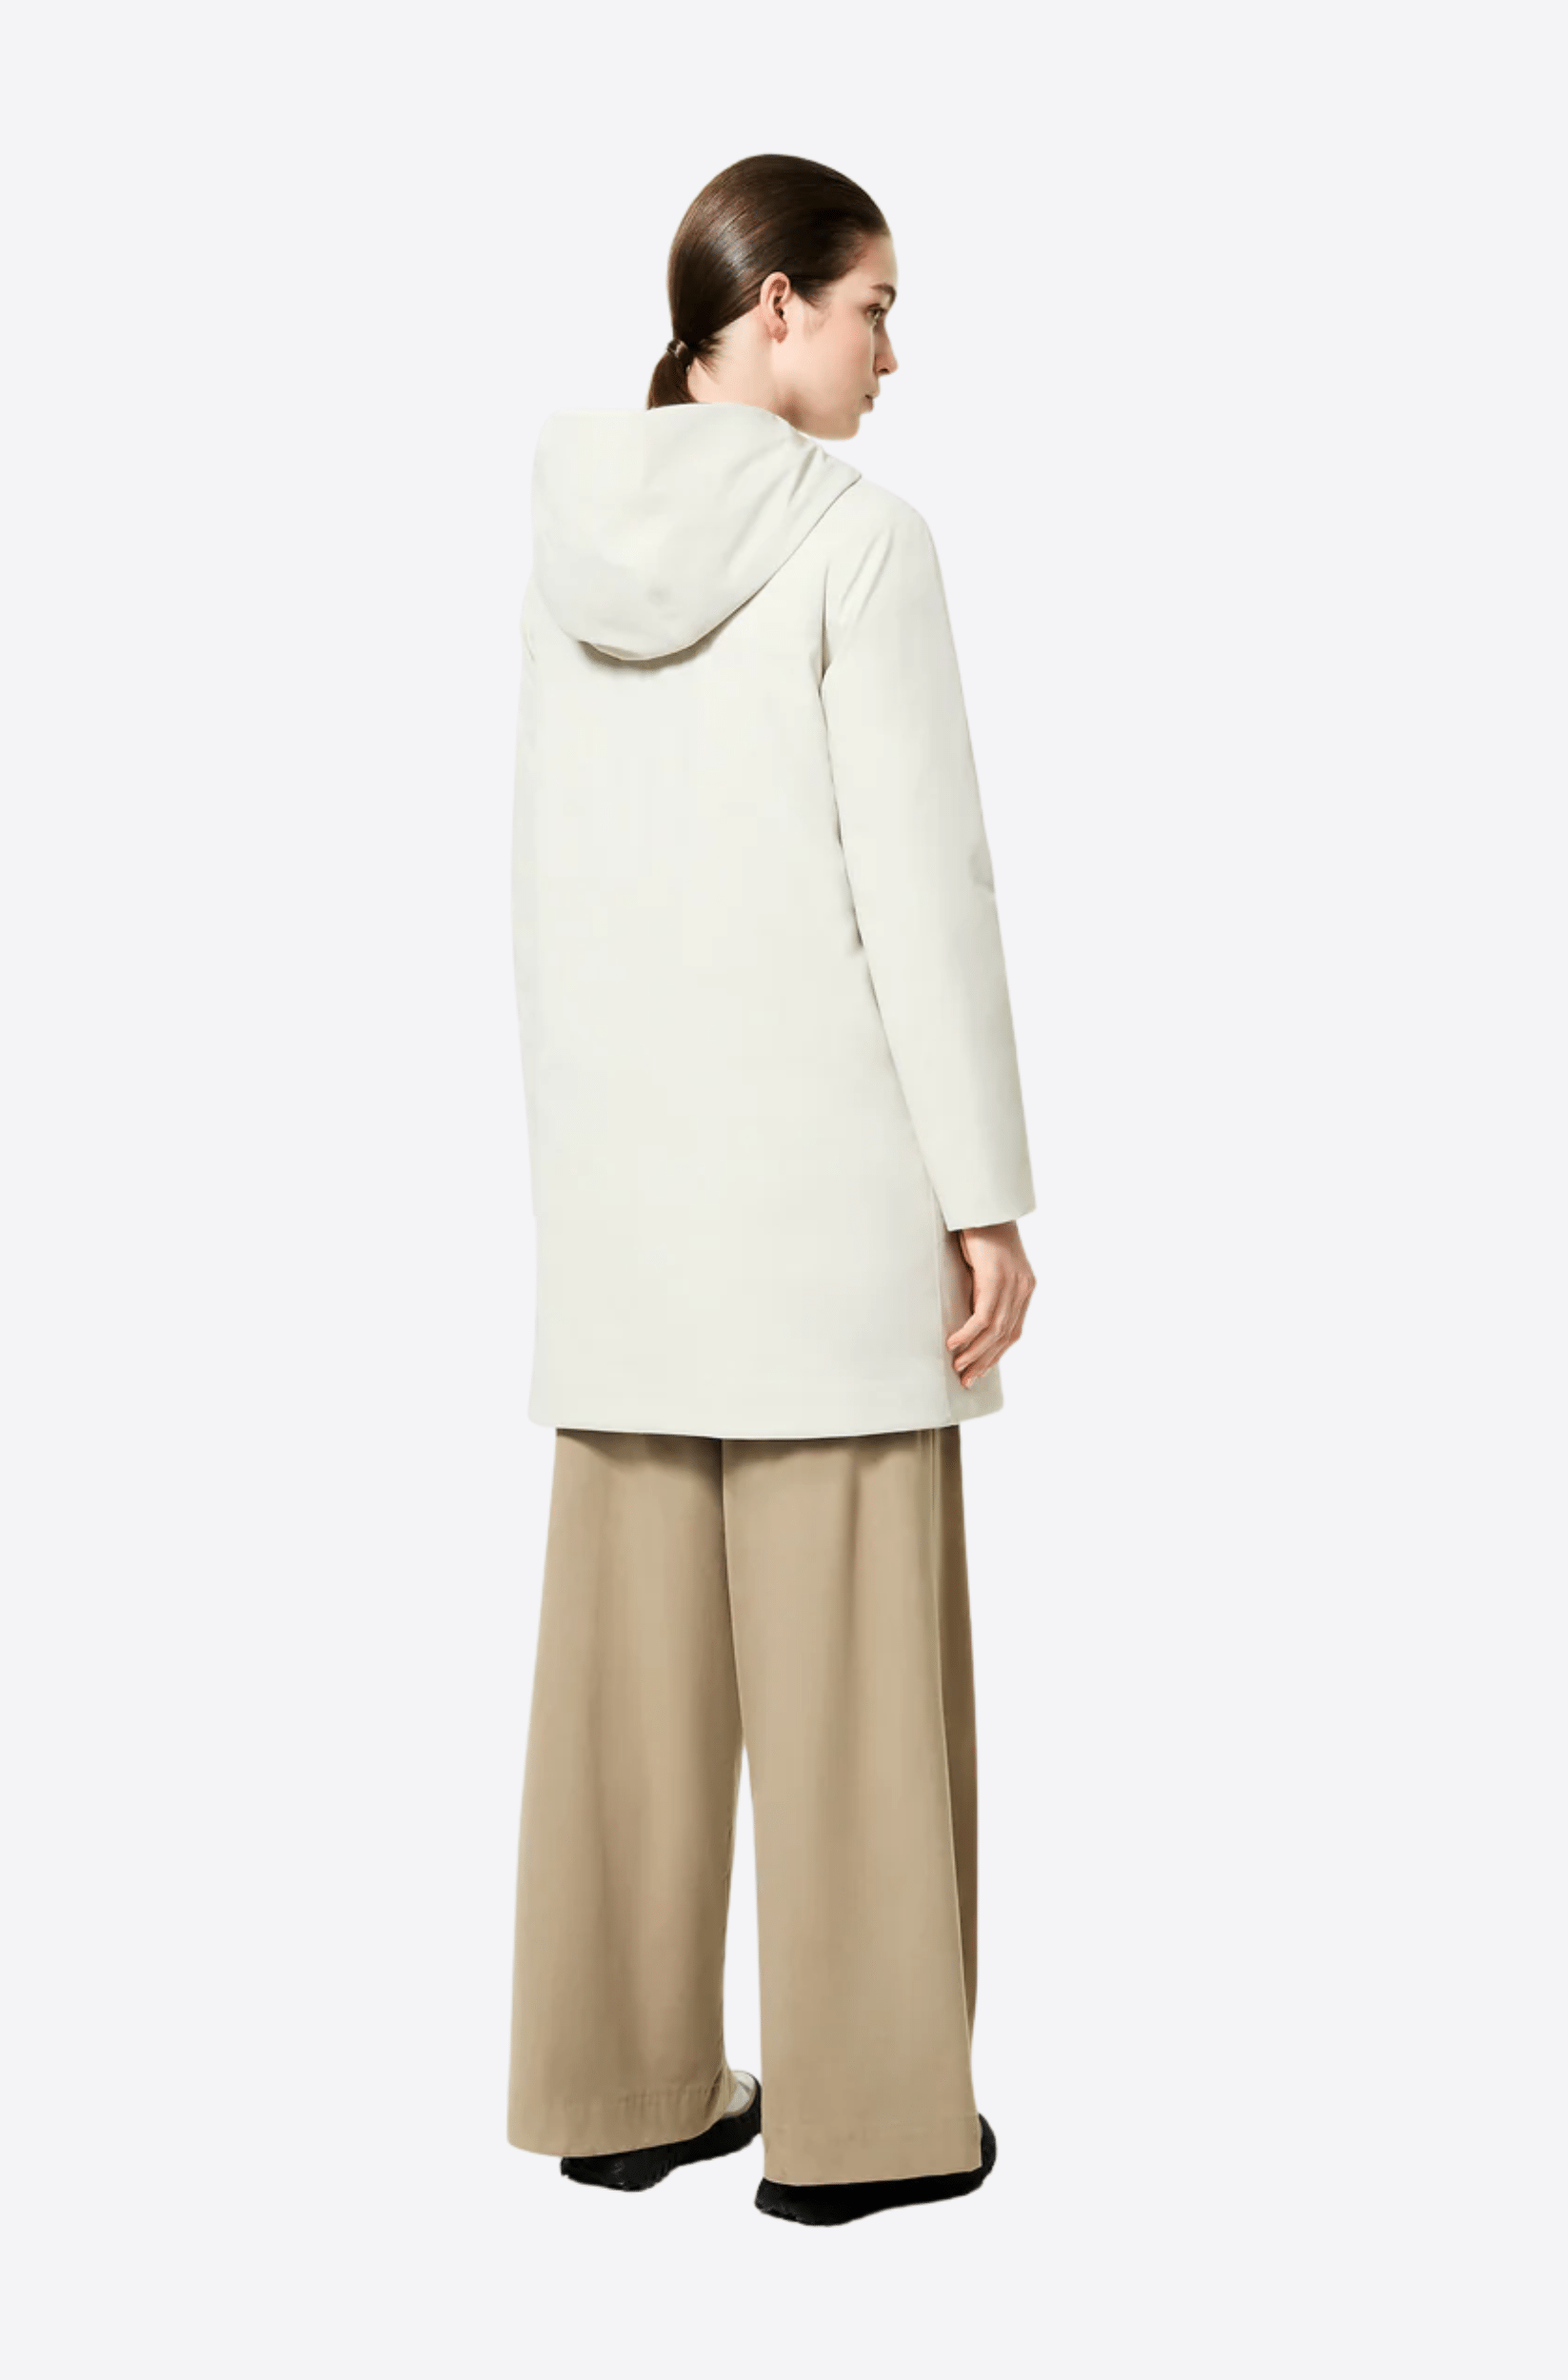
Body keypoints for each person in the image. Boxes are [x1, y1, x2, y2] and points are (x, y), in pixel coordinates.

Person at [505, 153, 1038, 2227]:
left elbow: (551, 880)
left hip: (625, 1210)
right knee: (855, 1689)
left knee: (624, 1697)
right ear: (781, 307)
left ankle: (619, 2084)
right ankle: (869, 2122)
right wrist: (982, 1191)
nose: (895, 354)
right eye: (876, 306)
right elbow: (925, 891)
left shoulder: (568, 542)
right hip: (822, 1204)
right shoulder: (858, 540)